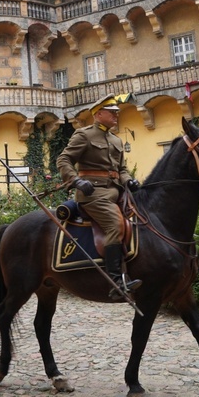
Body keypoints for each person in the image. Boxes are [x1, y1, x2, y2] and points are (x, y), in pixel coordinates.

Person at [56, 94, 142, 299]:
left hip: (118, 192)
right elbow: (64, 159)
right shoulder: (84, 135)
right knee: (115, 225)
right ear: (99, 114)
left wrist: (128, 180)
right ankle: (116, 283)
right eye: (112, 113)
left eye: (117, 113)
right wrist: (76, 180)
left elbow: (121, 169)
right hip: (93, 194)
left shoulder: (116, 140)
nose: (116, 116)